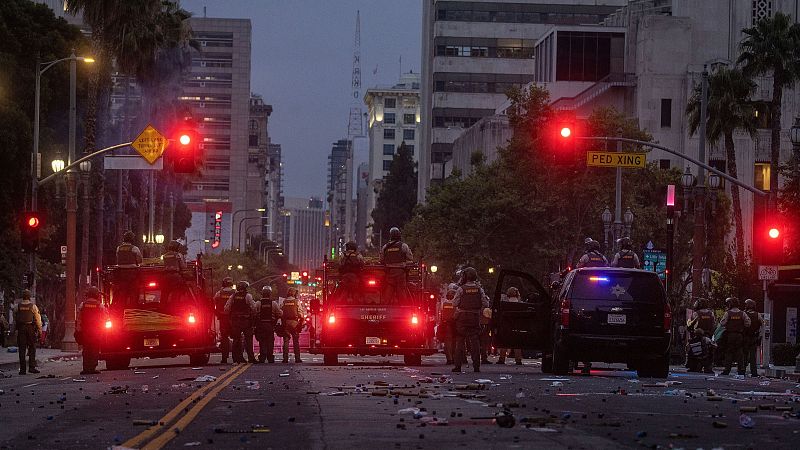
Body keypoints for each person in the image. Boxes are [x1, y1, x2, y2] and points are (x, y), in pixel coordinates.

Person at [452, 267, 489, 373]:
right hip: (474, 317)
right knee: (475, 342)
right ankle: (476, 366)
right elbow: (485, 303)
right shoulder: (479, 289)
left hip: (462, 317)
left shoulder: (461, 289)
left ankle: (458, 366)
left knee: (460, 341)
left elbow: (454, 303)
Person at [75, 287, 108, 375]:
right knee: (94, 349)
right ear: (96, 295)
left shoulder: (83, 304)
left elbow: (79, 318)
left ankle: (86, 368)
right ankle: (92, 368)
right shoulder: (99, 305)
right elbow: (105, 318)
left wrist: (78, 330)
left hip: (85, 331)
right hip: (96, 332)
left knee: (86, 350)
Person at [225, 280, 257, 364]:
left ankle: (236, 359)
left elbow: (227, 308)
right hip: (246, 321)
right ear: (245, 288)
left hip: (235, 321)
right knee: (248, 340)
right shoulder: (248, 296)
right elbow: (254, 308)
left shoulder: (233, 296)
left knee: (236, 340)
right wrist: (252, 315)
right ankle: (251, 358)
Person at [380, 227, 414, 304]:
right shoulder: (403, 246)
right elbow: (410, 258)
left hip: (390, 273)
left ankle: (385, 307)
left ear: (390, 236)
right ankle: (403, 309)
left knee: (388, 291)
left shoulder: (385, 247)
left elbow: (381, 260)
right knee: (401, 291)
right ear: (399, 235)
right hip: (400, 273)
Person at [720, 297, 750, 376]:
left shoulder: (728, 313)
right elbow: (748, 323)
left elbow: (722, 323)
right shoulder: (742, 313)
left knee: (729, 352)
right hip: (739, 335)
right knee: (739, 353)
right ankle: (741, 370)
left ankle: (727, 370)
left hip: (730, 335)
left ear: (731, 304)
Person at [13, 290, 41, 375]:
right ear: (29, 297)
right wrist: (39, 330)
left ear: (23, 297)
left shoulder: (17, 306)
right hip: (30, 328)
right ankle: (31, 367)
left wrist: (14, 330)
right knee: (32, 347)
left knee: (22, 349)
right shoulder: (33, 306)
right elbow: (38, 319)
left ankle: (22, 369)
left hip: (21, 328)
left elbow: (15, 319)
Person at [255, 286, 282, 363]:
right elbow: (280, 313)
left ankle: (262, 357)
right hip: (270, 326)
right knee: (270, 341)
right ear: (270, 294)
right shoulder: (273, 304)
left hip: (260, 326)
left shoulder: (258, 303)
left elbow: (253, 312)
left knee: (262, 341)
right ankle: (270, 357)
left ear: (262, 294)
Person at [497, 287, 523, 365]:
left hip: (506, 325)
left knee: (504, 342)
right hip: (517, 325)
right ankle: (518, 359)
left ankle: (502, 358)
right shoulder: (520, 303)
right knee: (517, 343)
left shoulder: (504, 303)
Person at [278, 287, 305, 363]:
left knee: (286, 341)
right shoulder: (297, 302)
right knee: (295, 341)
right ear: (294, 293)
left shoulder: (284, 302)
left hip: (286, 323)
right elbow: (300, 314)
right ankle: (297, 358)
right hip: (294, 323)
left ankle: (285, 358)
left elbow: (280, 312)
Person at [213, 277, 236, 364]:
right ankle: (236, 357)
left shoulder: (219, 293)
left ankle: (224, 358)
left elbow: (214, 302)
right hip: (233, 319)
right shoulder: (235, 293)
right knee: (236, 338)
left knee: (224, 338)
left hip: (223, 319)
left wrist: (217, 313)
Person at [437, 285, 457, 365]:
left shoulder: (443, 304)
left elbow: (441, 315)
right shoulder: (456, 305)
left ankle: (449, 359)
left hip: (446, 325)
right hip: (454, 325)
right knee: (455, 342)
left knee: (447, 343)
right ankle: (454, 358)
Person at [743, 298, 762, 377]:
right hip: (754, 337)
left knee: (744, 355)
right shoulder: (758, 314)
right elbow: (762, 325)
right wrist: (760, 335)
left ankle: (742, 370)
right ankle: (754, 372)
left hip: (745, 337)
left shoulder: (743, 314)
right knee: (753, 356)